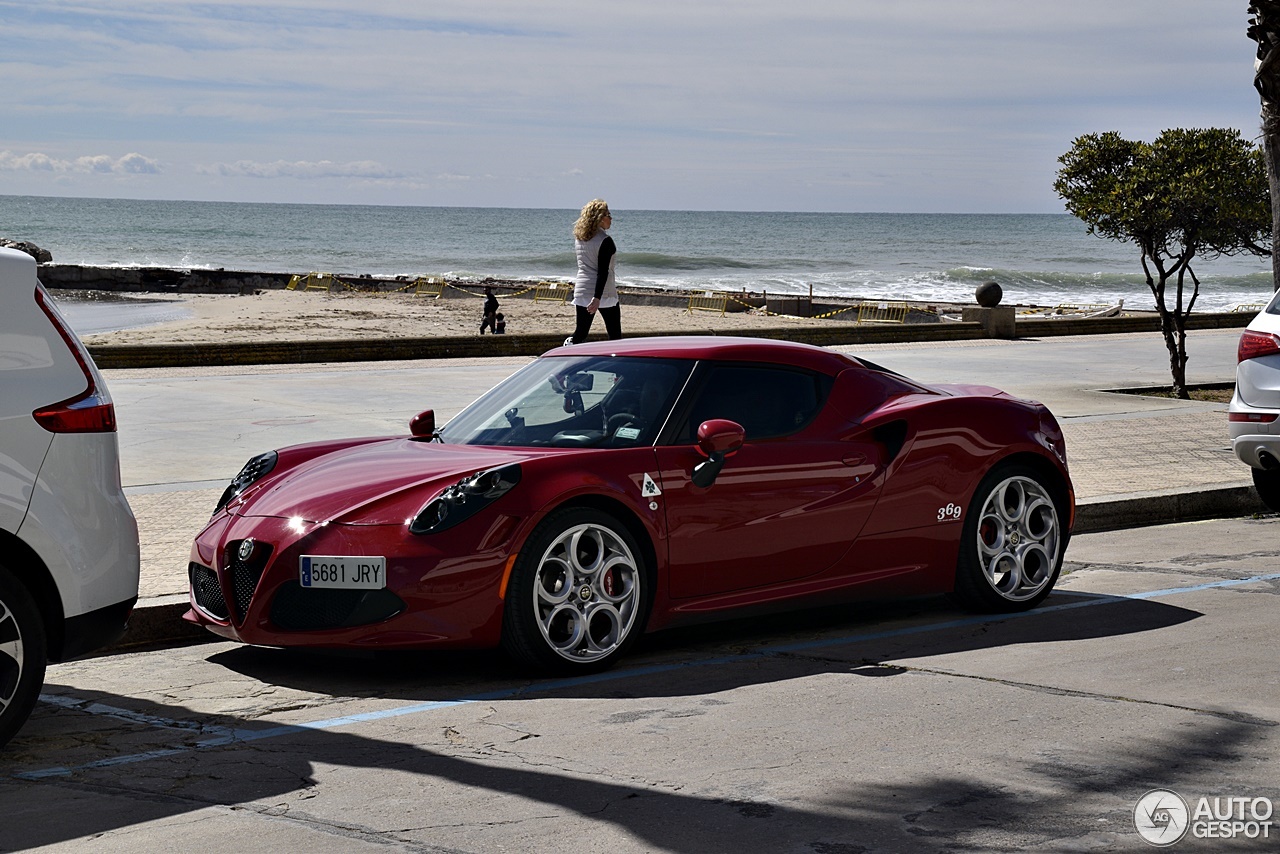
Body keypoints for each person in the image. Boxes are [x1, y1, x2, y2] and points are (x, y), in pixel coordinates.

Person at [566, 199, 621, 345]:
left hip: (583, 290)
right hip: (604, 293)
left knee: (581, 332)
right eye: (608, 215)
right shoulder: (605, 240)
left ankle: (568, 353)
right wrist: (597, 298)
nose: (611, 218)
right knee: (615, 335)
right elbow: (603, 271)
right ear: (600, 218)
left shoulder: (580, 238)